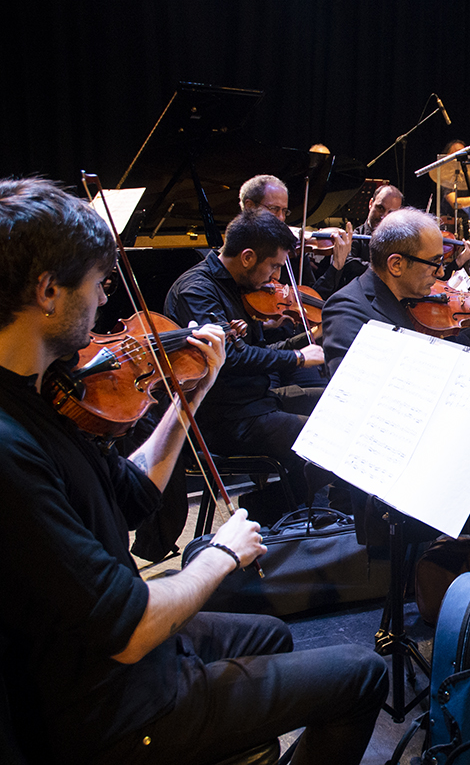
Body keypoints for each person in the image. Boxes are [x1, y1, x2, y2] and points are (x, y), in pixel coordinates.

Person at [0, 177, 387, 765]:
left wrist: (190, 397)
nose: (106, 303)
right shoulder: (11, 448)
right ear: (48, 291)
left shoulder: (41, 394)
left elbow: (130, 496)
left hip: (104, 649)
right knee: (361, 672)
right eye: (99, 285)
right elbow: (127, 630)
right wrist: (220, 555)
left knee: (272, 634)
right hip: (110, 707)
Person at [164, 208, 328, 511]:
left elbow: (258, 350)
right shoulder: (197, 291)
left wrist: (306, 339)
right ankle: (286, 515)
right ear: (248, 257)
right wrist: (296, 357)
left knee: (334, 406)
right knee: (321, 438)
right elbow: (232, 359)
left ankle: (285, 509)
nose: (276, 278)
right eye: (274, 267)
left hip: (257, 401)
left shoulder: (240, 288)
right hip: (226, 418)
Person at [321, 207, 470, 376]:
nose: (440, 274)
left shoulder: (428, 311)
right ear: (396, 265)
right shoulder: (347, 310)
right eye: (434, 263)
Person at [239, 174, 355, 299]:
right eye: (274, 209)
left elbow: (313, 297)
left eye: (284, 211)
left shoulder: (293, 250)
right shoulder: (236, 250)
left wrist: (337, 265)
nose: (281, 218)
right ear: (249, 206)